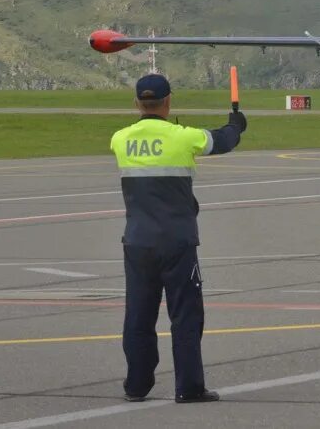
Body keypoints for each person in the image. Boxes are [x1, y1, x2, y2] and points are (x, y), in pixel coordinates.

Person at [110, 74, 247, 403]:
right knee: (185, 314)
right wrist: (236, 125)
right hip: (177, 240)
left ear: (136, 103)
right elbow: (222, 141)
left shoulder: (120, 140)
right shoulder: (183, 137)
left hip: (138, 241)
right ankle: (189, 386)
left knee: (138, 315)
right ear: (169, 102)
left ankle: (137, 384)